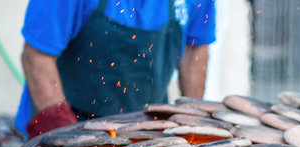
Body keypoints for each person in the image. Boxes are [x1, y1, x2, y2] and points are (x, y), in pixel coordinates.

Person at [15, 0, 216, 138]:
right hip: (67, 125)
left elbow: (195, 50)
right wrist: (66, 141)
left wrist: (193, 121)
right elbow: (37, 59)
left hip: (146, 135)